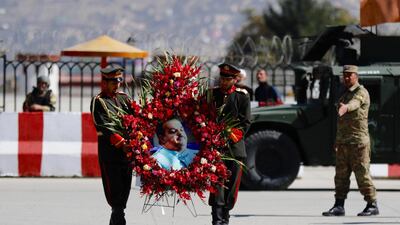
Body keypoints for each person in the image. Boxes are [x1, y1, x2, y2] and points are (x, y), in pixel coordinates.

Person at [322, 65, 379, 217]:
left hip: (358, 143)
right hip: (343, 143)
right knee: (340, 175)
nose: (346, 78)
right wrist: (337, 140)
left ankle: (372, 204)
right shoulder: (344, 94)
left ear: (356, 76)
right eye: (345, 75)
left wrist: (346, 108)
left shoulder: (361, 92)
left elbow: (355, 104)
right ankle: (339, 205)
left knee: (362, 174)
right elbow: (341, 123)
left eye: (350, 75)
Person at [90, 65, 133, 225]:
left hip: (126, 155)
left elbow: (134, 121)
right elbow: (103, 127)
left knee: (123, 194)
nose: (117, 84)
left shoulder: (124, 99)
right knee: (115, 198)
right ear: (105, 82)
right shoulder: (98, 102)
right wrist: (122, 143)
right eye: (114, 81)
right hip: (110, 156)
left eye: (119, 80)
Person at [208, 63, 251, 225]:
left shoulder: (242, 96)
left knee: (231, 185)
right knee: (217, 183)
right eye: (222, 78)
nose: (224, 82)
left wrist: (229, 135)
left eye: (228, 79)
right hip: (216, 148)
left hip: (235, 148)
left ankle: (225, 217)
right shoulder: (211, 95)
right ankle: (217, 219)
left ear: (235, 80)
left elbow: (245, 122)